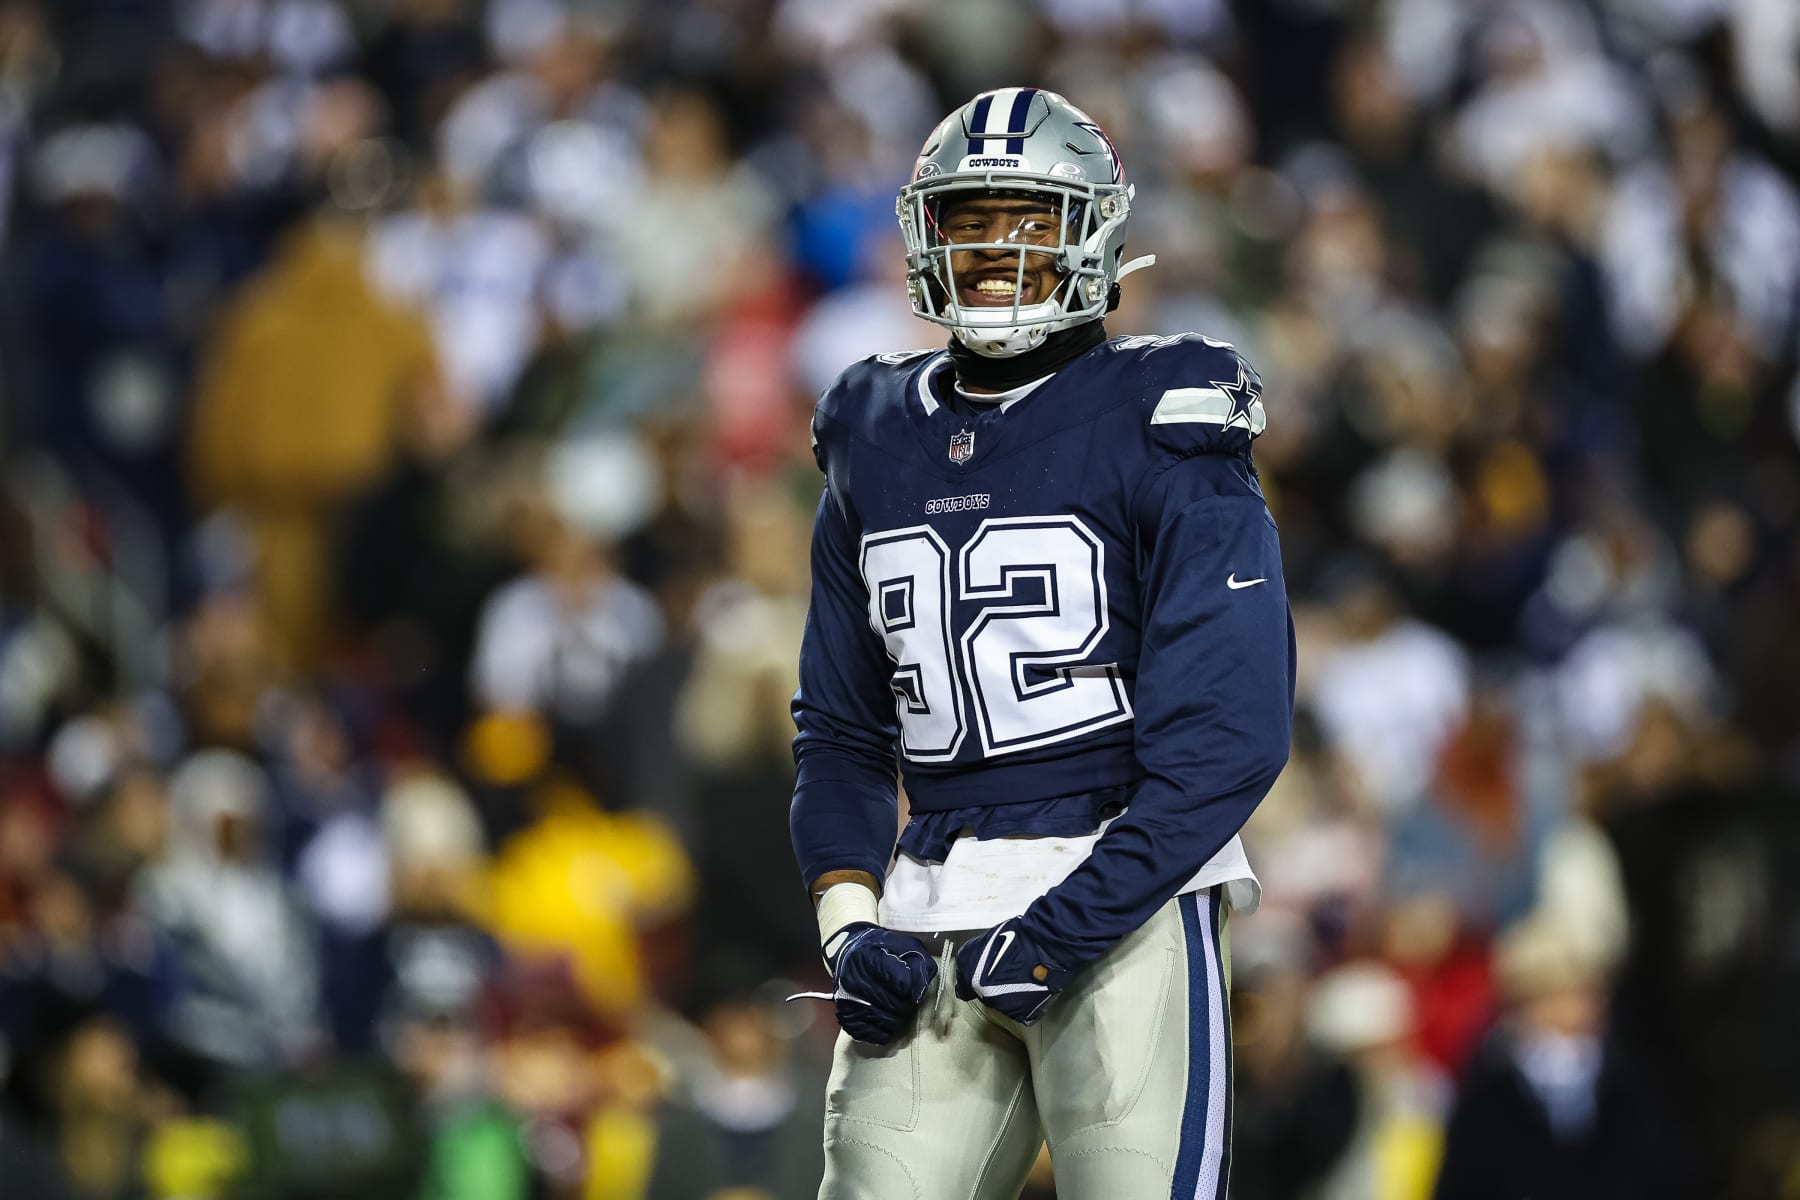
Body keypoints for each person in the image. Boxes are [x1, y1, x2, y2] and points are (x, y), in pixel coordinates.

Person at [788, 88, 1295, 1198]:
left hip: (1126, 900)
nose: (994, 253)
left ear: (1096, 231)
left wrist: (1072, 923)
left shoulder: (1165, 409)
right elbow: (837, 729)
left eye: (1026, 219)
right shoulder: (872, 434)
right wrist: (848, 924)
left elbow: (1233, 731)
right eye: (969, 222)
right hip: (930, 908)